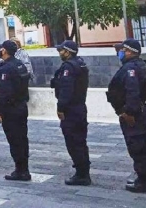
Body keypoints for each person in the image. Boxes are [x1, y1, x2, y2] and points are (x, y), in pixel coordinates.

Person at [106, 38, 146, 193]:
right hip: (140, 111)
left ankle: (144, 182)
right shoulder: (138, 65)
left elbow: (132, 92)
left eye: (122, 50)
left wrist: (128, 112)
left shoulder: (131, 69)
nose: (119, 53)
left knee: (138, 147)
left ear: (131, 52)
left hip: (135, 115)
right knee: (141, 148)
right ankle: (143, 178)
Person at [51, 40, 91, 186]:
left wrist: (60, 108)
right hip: (80, 107)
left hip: (71, 110)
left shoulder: (69, 67)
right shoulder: (80, 63)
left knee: (74, 142)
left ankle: (82, 174)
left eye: (61, 50)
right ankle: (83, 171)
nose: (59, 53)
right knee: (80, 141)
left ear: (67, 52)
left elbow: (66, 90)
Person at [0, 40, 31, 181]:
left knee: (15, 140)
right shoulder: (20, 65)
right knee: (22, 139)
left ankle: (20, 170)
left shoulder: (6, 69)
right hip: (22, 106)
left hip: (11, 109)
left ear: (4, 51)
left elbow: (5, 93)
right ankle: (24, 169)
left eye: (1, 49)